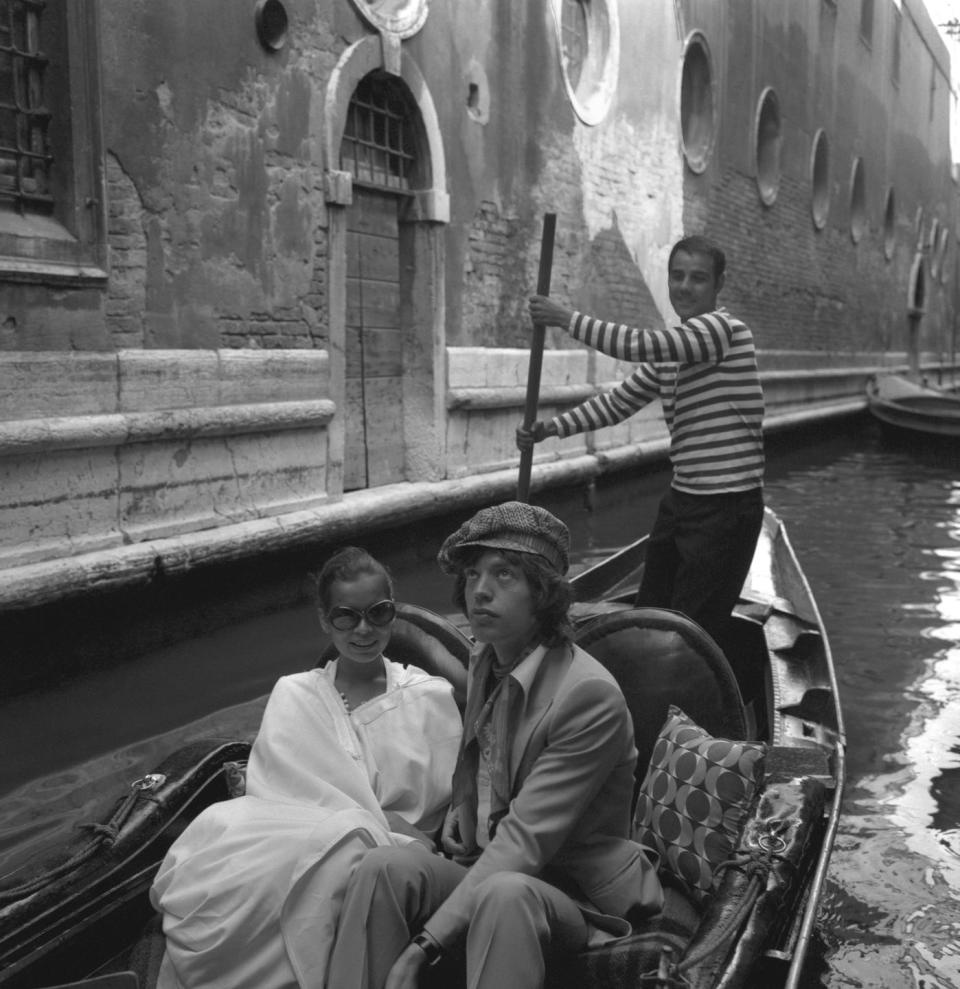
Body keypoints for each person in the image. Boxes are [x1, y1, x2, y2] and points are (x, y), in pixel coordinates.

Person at [324, 501, 663, 989]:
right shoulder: (488, 654)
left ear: (543, 592)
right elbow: (484, 751)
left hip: (573, 892)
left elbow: (526, 843)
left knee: (504, 893)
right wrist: (464, 806)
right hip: (485, 865)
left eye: (504, 575)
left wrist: (424, 946)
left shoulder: (590, 697)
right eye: (473, 574)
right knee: (383, 867)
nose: (479, 591)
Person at [150, 547, 462, 989]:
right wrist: (364, 821)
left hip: (396, 850)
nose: (363, 629)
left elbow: (445, 804)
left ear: (392, 613)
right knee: (220, 843)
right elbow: (278, 795)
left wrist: (386, 830)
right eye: (346, 617)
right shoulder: (294, 693)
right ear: (324, 620)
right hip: (300, 830)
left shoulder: (430, 696)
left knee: (336, 859)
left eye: (377, 613)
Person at [520, 235, 765, 650]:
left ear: (718, 285)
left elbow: (638, 344)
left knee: (692, 630)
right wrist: (552, 428)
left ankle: (687, 707)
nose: (685, 287)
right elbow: (618, 403)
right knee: (650, 613)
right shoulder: (674, 353)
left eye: (698, 279)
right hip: (683, 501)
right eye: (677, 276)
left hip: (727, 506)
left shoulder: (722, 332)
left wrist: (566, 319)